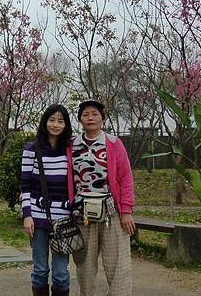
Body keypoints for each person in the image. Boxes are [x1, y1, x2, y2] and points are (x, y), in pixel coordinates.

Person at [67, 100, 135, 296]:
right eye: (86, 114)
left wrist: (127, 211)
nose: (90, 117)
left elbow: (126, 178)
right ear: (80, 119)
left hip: (111, 213)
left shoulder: (114, 144)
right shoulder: (71, 145)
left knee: (118, 264)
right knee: (85, 267)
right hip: (83, 214)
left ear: (103, 119)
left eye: (95, 114)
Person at [21, 104, 74, 296]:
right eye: (52, 120)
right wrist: (27, 215)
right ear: (45, 122)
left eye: (61, 121)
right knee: (40, 269)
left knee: (61, 273)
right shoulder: (31, 149)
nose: (55, 124)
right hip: (37, 217)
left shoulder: (70, 150)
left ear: (66, 125)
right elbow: (25, 185)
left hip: (64, 220)